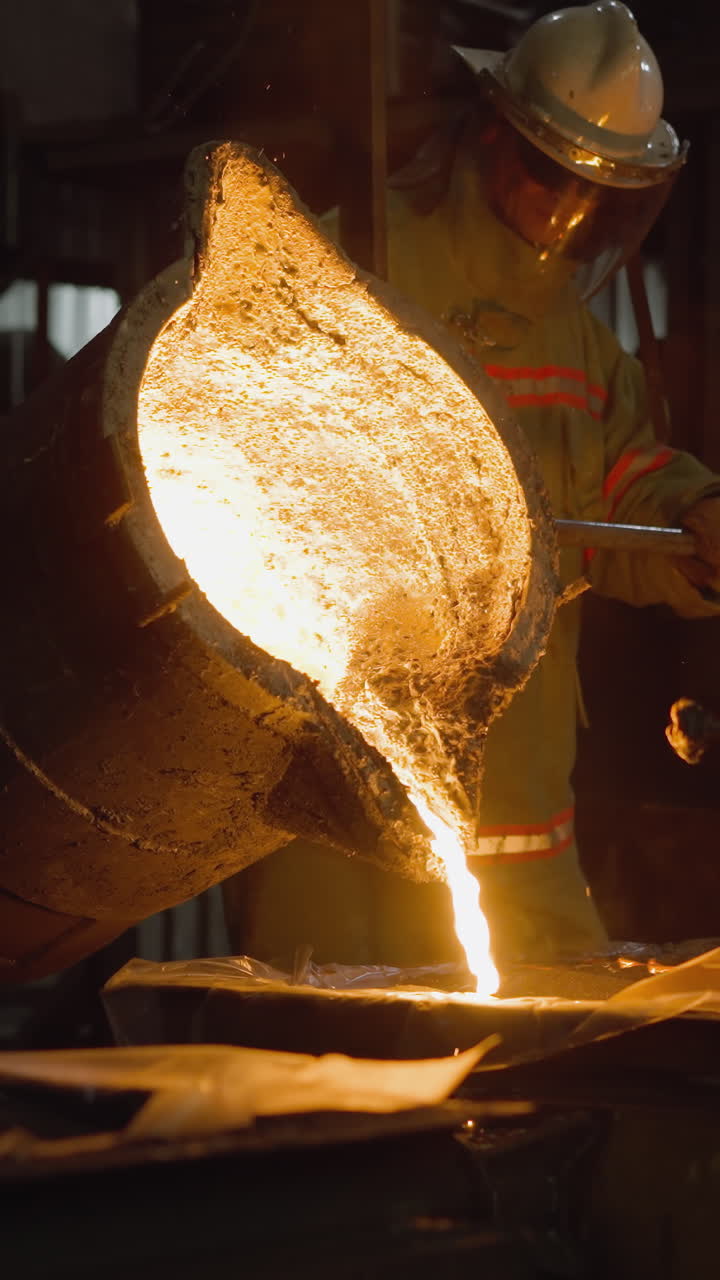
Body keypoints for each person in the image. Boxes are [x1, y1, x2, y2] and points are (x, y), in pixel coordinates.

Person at [223, 1, 720, 969]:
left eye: (593, 191)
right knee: (330, 1097)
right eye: (547, 170)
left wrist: (697, 515)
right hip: (340, 850)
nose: (562, 208)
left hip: (524, 855)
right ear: (495, 128)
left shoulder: (577, 343)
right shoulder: (348, 265)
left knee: (560, 1096)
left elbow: (630, 483)